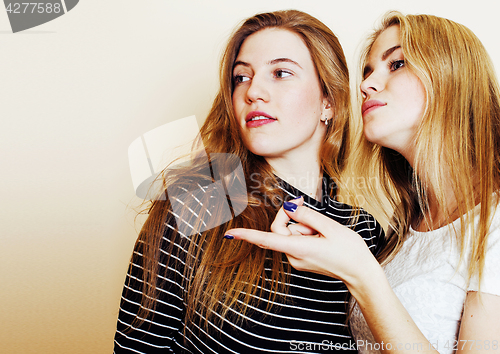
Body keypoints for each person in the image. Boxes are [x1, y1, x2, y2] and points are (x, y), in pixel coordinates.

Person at [227, 11, 500, 353]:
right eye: (368, 70)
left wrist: (362, 274)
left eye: (396, 64)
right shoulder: (402, 232)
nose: (365, 84)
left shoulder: (489, 227)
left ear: (453, 77)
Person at [114, 9, 384, 353]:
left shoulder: (364, 231)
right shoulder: (199, 202)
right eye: (241, 77)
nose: (253, 91)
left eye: (281, 73)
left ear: (328, 102)